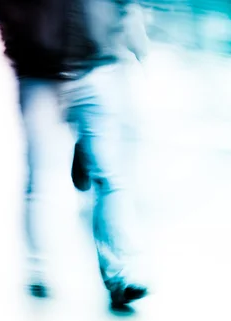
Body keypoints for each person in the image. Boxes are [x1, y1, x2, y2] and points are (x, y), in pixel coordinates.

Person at [0, 0, 149, 308]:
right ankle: (38, 267)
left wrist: (126, 36)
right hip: (40, 71)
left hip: (96, 64)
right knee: (41, 174)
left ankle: (120, 272)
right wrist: (21, 35)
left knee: (108, 174)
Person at [71, 0, 149, 192]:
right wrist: (141, 55)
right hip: (109, 67)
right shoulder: (124, 7)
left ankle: (88, 156)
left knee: (93, 125)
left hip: (77, 66)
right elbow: (136, 36)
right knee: (105, 129)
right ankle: (100, 174)